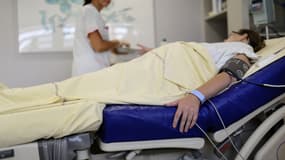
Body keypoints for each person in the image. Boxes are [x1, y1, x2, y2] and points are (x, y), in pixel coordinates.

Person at [0, 29, 265, 147]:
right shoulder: (219, 47)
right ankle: (7, 101)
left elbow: (233, 72)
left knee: (69, 92)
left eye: (233, 33)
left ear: (244, 37)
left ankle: (8, 105)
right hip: (154, 69)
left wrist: (195, 96)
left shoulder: (241, 48)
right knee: (68, 90)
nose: (228, 36)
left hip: (164, 79)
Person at [72, 0, 129, 76]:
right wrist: (117, 42)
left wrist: (116, 48)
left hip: (92, 71)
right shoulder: (89, 11)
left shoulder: (93, 13)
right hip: (90, 72)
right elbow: (98, 46)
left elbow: (99, 46)